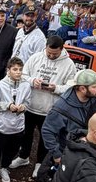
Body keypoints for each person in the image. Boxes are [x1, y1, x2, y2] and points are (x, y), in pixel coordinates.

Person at [12, 35, 78, 173]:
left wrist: (56, 88)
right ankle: (23, 156)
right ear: (45, 47)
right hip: (30, 104)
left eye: (55, 54)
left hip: (51, 109)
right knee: (26, 134)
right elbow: (23, 75)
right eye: (49, 53)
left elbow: (72, 87)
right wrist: (32, 81)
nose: (51, 56)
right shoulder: (36, 57)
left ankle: (40, 163)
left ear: (62, 49)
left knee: (45, 138)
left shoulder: (69, 65)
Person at [41, 70, 96, 161]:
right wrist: (57, 155)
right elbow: (48, 131)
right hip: (69, 154)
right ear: (82, 89)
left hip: (93, 153)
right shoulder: (61, 107)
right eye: (95, 86)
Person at [0, 58, 31, 182]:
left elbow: (27, 101)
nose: (18, 72)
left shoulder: (26, 85)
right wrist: (7, 106)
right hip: (3, 125)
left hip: (18, 126)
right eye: (15, 69)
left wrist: (23, 107)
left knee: (12, 149)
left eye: (20, 70)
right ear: (8, 70)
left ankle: (4, 168)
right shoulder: (0, 86)